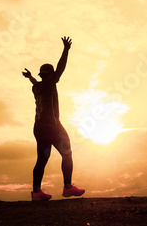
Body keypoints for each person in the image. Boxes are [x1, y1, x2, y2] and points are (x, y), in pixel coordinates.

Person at [22, 36, 85, 201]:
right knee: (67, 153)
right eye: (53, 75)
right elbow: (61, 68)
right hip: (52, 126)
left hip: (39, 127)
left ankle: (36, 191)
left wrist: (30, 77)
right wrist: (66, 50)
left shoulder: (37, 86)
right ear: (50, 75)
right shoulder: (50, 84)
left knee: (42, 158)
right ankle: (68, 187)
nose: (55, 77)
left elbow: (36, 81)